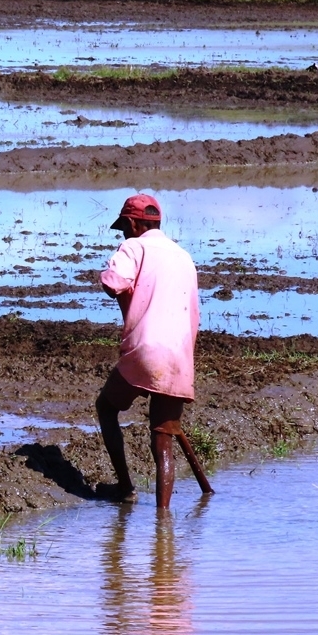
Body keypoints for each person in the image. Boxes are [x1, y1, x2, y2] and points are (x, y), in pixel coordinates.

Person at [96, 194, 199, 508]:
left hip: (145, 351)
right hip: (181, 356)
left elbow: (114, 283)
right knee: (163, 440)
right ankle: (163, 522)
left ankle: (125, 488)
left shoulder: (133, 247)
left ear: (131, 223)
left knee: (106, 407)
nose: (124, 235)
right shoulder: (184, 256)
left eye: (124, 229)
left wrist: (109, 275)